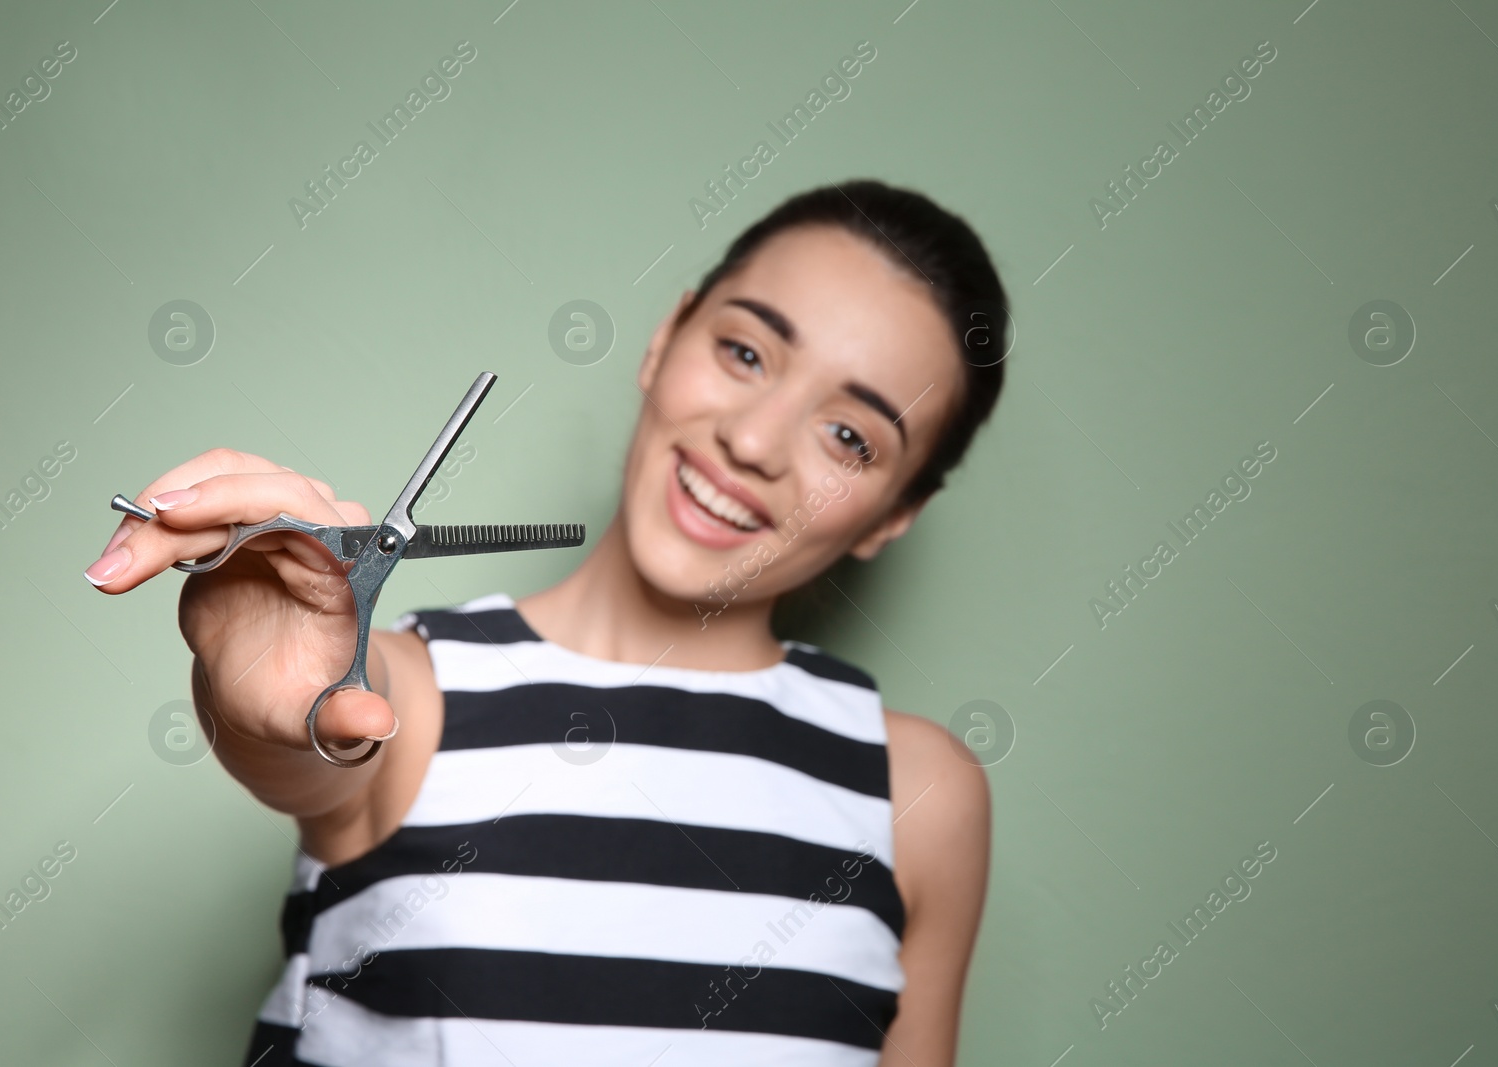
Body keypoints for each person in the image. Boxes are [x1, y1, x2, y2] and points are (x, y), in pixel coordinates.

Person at [86, 179, 1008, 1067]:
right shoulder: (411, 695)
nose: (753, 441)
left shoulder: (920, 793)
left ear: (894, 514)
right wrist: (267, 703)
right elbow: (310, 746)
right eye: (745, 352)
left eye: (851, 435)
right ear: (665, 339)